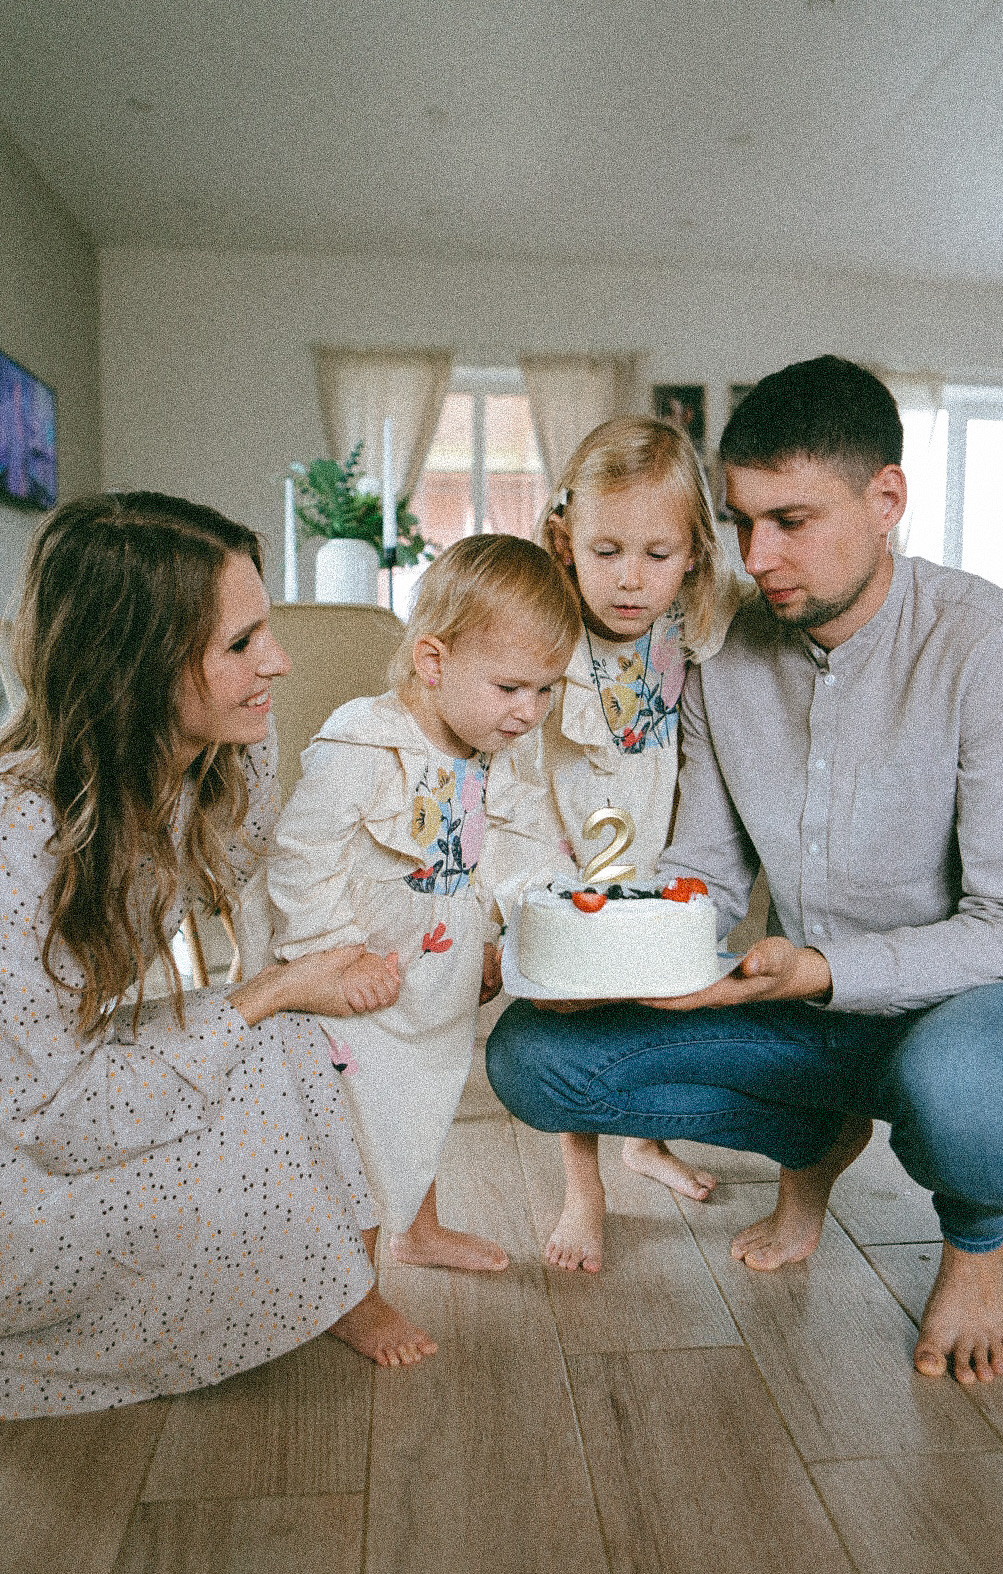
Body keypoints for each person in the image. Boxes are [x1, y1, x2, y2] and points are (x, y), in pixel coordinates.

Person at [486, 355, 1003, 1385]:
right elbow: (705, 876)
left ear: (885, 498)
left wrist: (822, 971)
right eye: (740, 520)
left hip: (974, 1012)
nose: (757, 557)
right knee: (536, 1061)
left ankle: (979, 1244)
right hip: (805, 1014)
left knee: (976, 1096)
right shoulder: (729, 651)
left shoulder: (992, 646)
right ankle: (814, 1132)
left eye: (792, 521)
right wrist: (624, 961)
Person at [0, 491, 450, 1415]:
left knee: (294, 1049)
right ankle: (302, 1288)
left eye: (265, 632)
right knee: (270, 1036)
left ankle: (341, 1288)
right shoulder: (22, 840)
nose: (277, 664)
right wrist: (269, 991)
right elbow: (55, 1124)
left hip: (68, 1091)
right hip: (24, 1170)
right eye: (240, 645)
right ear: (136, 670)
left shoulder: (204, 759)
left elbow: (250, 860)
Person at [267, 533, 578, 1362]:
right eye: (512, 686)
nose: (530, 711)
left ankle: (418, 1227)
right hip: (356, 990)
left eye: (547, 690)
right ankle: (353, 1293)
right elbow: (301, 858)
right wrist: (333, 958)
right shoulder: (364, 741)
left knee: (424, 1106)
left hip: (437, 978)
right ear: (433, 661)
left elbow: (508, 851)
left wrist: (513, 923)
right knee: (366, 1134)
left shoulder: (493, 753)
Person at [520, 416, 741, 1273]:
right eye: (606, 550)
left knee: (653, 993)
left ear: (692, 554)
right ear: (565, 538)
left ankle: (645, 1141)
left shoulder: (691, 622)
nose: (630, 579)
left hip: (655, 838)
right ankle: (585, 1184)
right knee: (572, 1007)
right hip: (565, 837)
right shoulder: (541, 620)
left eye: (657, 554)